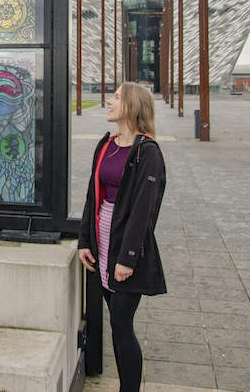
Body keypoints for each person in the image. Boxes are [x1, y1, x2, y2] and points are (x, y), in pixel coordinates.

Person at [77, 82, 167, 392]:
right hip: (102, 242)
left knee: (121, 323)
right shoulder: (107, 144)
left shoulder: (148, 152)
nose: (109, 102)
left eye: (116, 97)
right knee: (117, 324)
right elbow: (93, 195)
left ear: (132, 105)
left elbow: (143, 211)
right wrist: (84, 241)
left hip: (127, 247)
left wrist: (128, 259)